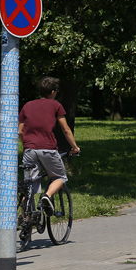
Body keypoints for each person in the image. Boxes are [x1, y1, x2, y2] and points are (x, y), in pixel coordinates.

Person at [18, 76, 80, 213]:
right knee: (60, 177)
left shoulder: (27, 106)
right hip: (48, 149)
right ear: (52, 92)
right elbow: (66, 129)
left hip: (29, 150)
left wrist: (27, 145)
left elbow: (20, 131)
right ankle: (47, 196)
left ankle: (25, 220)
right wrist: (74, 147)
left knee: (29, 186)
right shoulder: (56, 105)